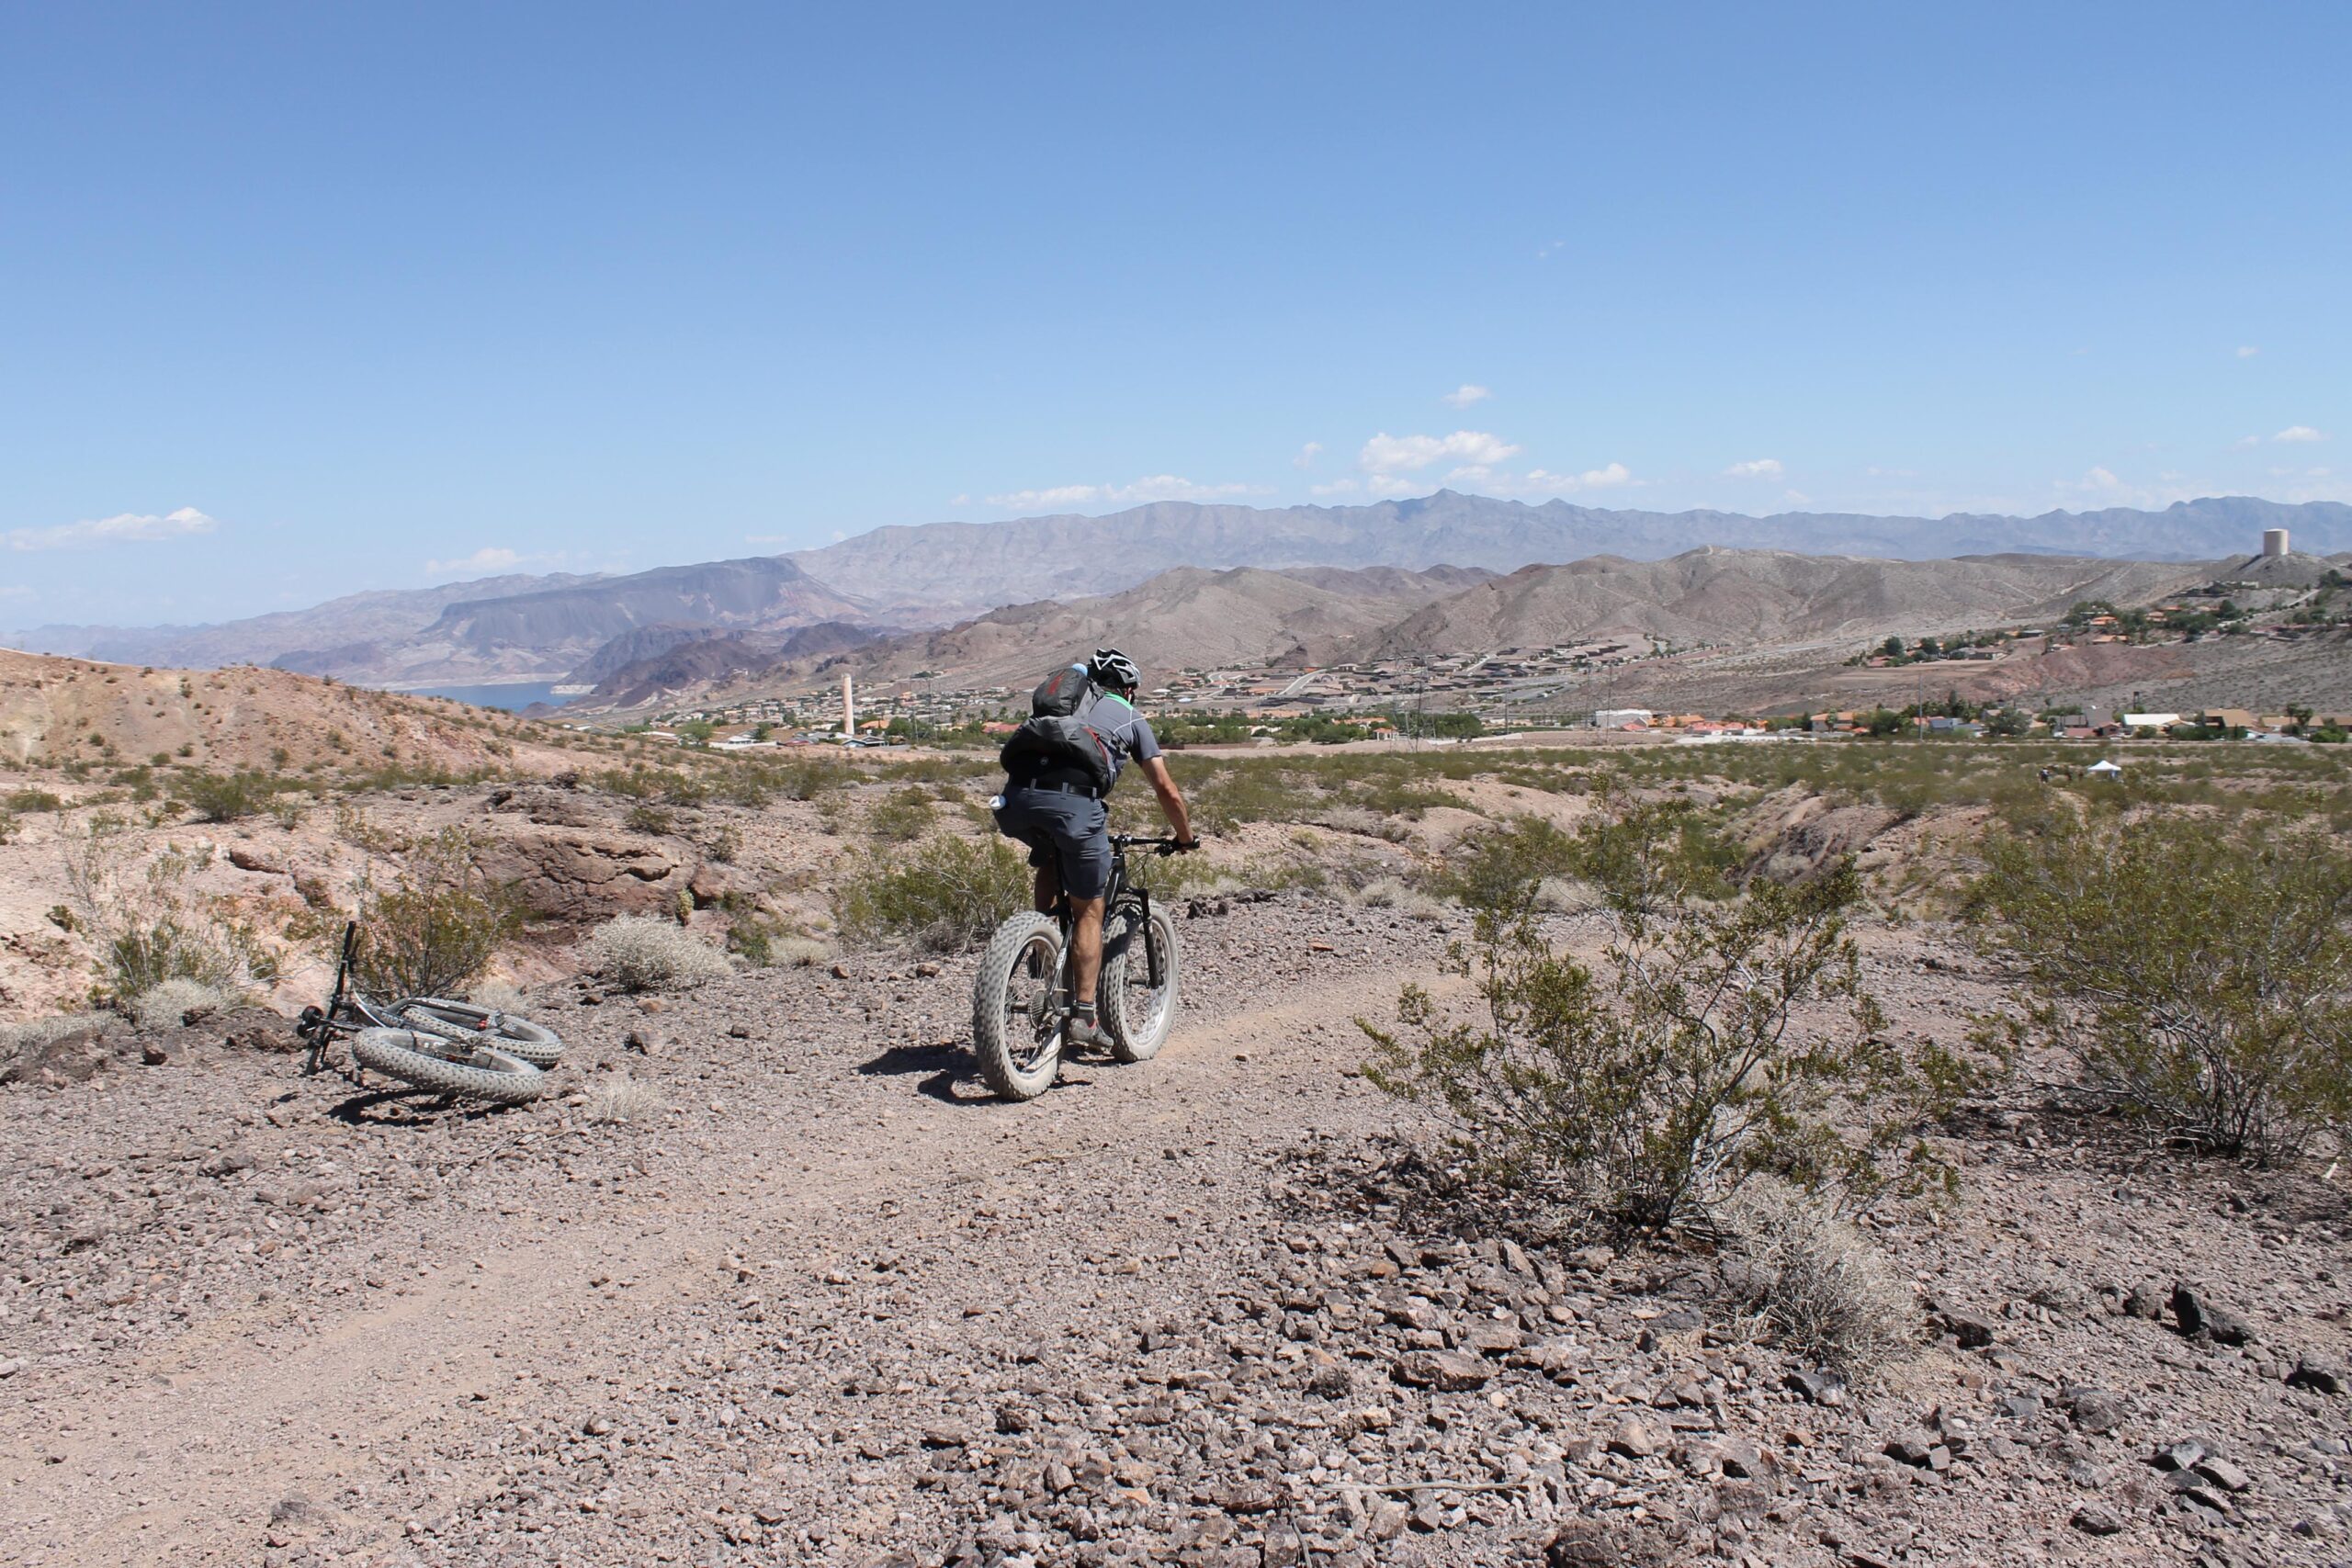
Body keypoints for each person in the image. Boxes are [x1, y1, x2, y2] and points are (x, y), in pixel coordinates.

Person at [991, 648, 1196, 1048]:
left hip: (1016, 803)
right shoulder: (1132, 717)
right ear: (1130, 689)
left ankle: (1040, 942)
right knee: (1089, 910)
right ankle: (1085, 1016)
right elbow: (1166, 790)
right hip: (1075, 807)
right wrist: (1185, 837)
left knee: (1051, 855)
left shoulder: (1064, 709)